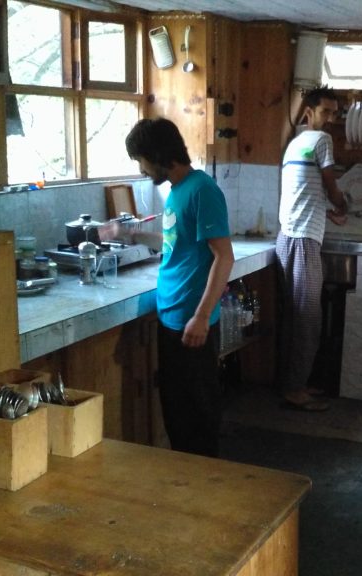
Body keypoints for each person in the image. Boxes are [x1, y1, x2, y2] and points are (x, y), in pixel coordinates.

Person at [101, 118, 234, 457]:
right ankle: (184, 490)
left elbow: (224, 257)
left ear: (158, 155)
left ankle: (205, 490)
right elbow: (174, 242)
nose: (141, 169)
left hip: (192, 321)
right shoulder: (177, 192)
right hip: (172, 318)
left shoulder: (203, 189)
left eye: (140, 160)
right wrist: (128, 233)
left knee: (199, 417)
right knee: (177, 415)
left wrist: (202, 317)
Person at [276, 86, 348, 412]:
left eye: (335, 113)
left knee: (293, 315)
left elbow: (306, 191)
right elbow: (331, 186)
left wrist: (328, 210)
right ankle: (295, 391)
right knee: (309, 319)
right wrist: (343, 206)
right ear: (309, 112)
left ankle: (295, 383)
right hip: (304, 240)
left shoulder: (294, 145)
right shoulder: (322, 141)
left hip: (286, 237)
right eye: (326, 112)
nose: (331, 119)